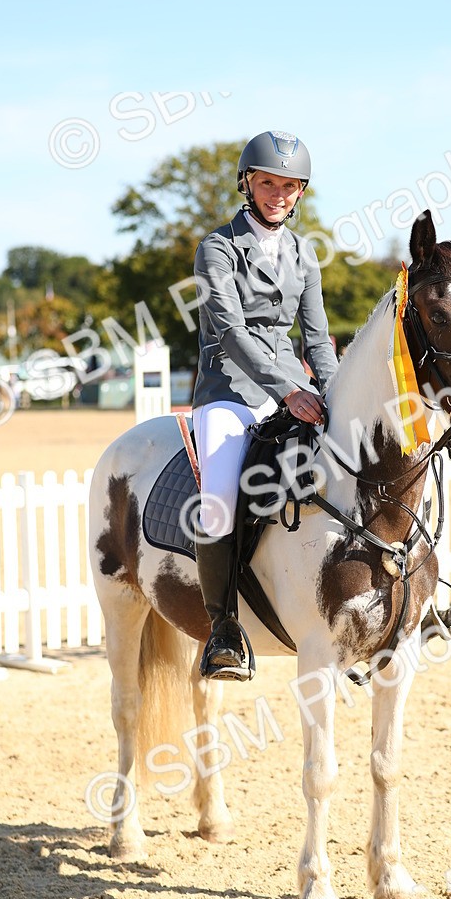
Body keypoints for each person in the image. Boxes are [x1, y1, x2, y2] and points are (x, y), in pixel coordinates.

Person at [191, 130, 338, 681]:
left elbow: (318, 340)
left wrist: (333, 394)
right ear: (248, 183)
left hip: (294, 394)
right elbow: (229, 331)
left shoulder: (305, 253)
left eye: (289, 185)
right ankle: (223, 628)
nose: (279, 193)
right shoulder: (218, 247)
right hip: (229, 394)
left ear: (300, 193)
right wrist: (290, 389)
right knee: (221, 497)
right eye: (268, 182)